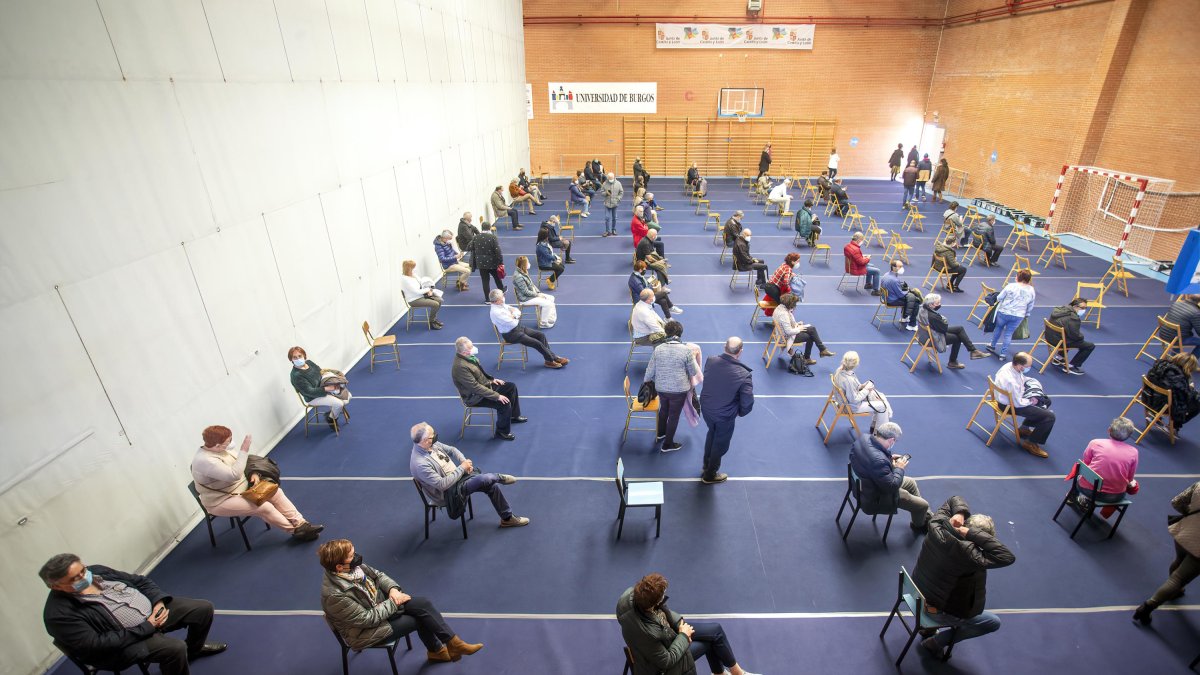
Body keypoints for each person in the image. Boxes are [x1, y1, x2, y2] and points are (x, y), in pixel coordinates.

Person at [40, 554, 225, 675]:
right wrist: (147, 627)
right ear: (55, 586)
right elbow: (96, 645)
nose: (84, 577)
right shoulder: (59, 615)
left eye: (83, 570)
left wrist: (158, 603)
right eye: (76, 578)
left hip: (152, 614)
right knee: (175, 649)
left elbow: (140, 582)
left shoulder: (97, 571)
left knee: (203, 608)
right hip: (126, 642)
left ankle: (194, 649)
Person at [319, 538, 484, 663]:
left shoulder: (355, 568)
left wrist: (393, 590)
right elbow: (366, 620)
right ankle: (437, 652)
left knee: (423, 604)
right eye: (351, 556)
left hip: (381, 608)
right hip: (366, 632)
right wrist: (394, 602)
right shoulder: (335, 595)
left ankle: (453, 644)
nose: (356, 557)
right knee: (419, 619)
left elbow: (380, 576)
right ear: (339, 567)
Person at [911, 496, 1016, 659]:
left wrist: (960, 512)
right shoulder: (972, 556)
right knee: (992, 622)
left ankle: (928, 629)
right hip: (937, 610)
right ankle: (935, 643)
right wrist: (973, 534)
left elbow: (953, 499)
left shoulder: (936, 527)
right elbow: (1007, 556)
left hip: (917, 594)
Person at [191, 425, 324, 540]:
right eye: (228, 441)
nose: (231, 443)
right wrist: (244, 449)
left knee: (275, 491)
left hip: (242, 489)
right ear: (217, 445)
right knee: (264, 507)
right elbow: (234, 475)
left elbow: (243, 463)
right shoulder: (205, 461)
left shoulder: (220, 449)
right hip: (221, 500)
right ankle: (296, 531)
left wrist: (254, 474)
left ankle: (302, 524)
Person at [616, 573, 761, 675]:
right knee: (710, 643)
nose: (664, 597)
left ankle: (735, 673)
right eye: (661, 596)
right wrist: (684, 636)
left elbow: (661, 608)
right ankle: (725, 674)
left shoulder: (636, 595)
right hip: (663, 667)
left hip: (668, 633)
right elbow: (666, 661)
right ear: (653, 602)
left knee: (715, 630)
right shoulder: (645, 633)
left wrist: (678, 623)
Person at [409, 422, 529, 526]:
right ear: (424, 441)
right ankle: (497, 477)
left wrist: (463, 461)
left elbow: (452, 450)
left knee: (490, 485)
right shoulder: (420, 464)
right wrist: (462, 468)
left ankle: (507, 518)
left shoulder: (430, 444)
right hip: (449, 493)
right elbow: (442, 485)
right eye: (432, 436)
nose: (435, 437)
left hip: (457, 479)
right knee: (484, 480)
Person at [1132, 480, 1200, 626]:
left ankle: (1174, 591)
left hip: (1184, 532)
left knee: (1179, 560)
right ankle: (1147, 607)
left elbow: (1176, 502)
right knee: (1177, 579)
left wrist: (1190, 513)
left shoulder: (1199, 485)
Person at [850, 422, 931, 532]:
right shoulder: (879, 461)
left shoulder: (864, 438)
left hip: (863, 486)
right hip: (873, 499)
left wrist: (889, 458)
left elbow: (871, 461)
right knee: (923, 505)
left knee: (911, 482)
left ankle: (927, 517)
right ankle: (919, 526)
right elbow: (892, 487)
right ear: (891, 440)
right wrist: (899, 468)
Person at [699, 338, 754, 484]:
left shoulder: (710, 361)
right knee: (720, 443)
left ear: (725, 347)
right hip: (724, 416)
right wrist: (739, 412)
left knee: (712, 433)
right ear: (740, 351)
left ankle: (706, 465)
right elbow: (747, 402)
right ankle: (710, 474)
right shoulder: (744, 374)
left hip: (707, 409)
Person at [451, 336, 526, 440]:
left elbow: (480, 374)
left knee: (511, 387)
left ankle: (513, 416)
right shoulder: (460, 367)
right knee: (504, 403)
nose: (473, 348)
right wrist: (497, 396)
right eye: (471, 347)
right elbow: (475, 387)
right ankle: (501, 432)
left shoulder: (469, 357)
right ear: (464, 352)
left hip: (484, 386)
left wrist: (491, 380)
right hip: (474, 397)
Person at [644, 320, 699, 453]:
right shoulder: (686, 351)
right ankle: (667, 445)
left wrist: (646, 382)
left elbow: (650, 371)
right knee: (674, 416)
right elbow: (693, 372)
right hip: (679, 390)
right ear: (680, 334)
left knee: (664, 410)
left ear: (666, 333)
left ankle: (660, 434)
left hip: (661, 388)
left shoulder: (658, 349)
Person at [993, 353, 1055, 457]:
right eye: (1027, 367)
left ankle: (1024, 428)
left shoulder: (1010, 365)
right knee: (1050, 417)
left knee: (1046, 400)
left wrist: (1033, 382)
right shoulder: (1011, 381)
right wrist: (1032, 401)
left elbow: (1022, 379)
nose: (1029, 368)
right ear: (1020, 366)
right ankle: (1031, 443)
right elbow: (1018, 403)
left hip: (1009, 399)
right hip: (1010, 406)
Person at [488, 290, 567, 369]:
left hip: (518, 328)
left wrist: (513, 315)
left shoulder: (501, 304)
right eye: (502, 296)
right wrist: (514, 316)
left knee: (540, 335)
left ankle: (549, 359)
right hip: (511, 335)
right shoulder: (496, 312)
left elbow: (517, 311)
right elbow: (513, 323)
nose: (504, 297)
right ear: (497, 301)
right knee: (537, 343)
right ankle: (551, 360)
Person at [1073, 417, 1140, 511]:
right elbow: (1130, 478)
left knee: (1080, 469)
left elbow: (1086, 464)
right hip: (1116, 496)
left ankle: (1077, 497)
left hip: (1088, 490)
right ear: (1129, 436)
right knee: (1132, 484)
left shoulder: (1095, 443)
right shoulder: (1134, 452)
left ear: (1109, 430)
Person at [918, 293, 990, 369]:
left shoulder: (923, 308)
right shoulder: (933, 317)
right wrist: (943, 320)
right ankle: (952, 362)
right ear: (930, 305)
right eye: (937, 303)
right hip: (932, 337)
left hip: (926, 333)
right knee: (958, 338)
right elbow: (944, 329)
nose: (940, 304)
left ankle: (973, 351)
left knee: (960, 328)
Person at [289, 346, 351, 427]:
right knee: (339, 404)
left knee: (348, 397)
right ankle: (331, 419)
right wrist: (327, 388)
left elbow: (320, 371)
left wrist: (332, 378)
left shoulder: (309, 363)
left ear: (304, 355)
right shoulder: (296, 375)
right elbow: (309, 392)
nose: (298, 359)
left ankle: (332, 413)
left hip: (324, 386)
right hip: (313, 397)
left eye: (300, 356)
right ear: (291, 360)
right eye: (295, 357)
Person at [773, 293, 834, 370]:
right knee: (811, 336)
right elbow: (788, 331)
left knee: (812, 329)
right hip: (786, 337)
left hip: (783, 333)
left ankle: (821, 351)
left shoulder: (779, 308)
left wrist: (796, 324)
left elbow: (786, 323)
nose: (795, 306)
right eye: (794, 304)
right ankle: (811, 356)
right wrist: (799, 329)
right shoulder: (784, 314)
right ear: (790, 304)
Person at [834, 351, 892, 431]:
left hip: (844, 401)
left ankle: (875, 424)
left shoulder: (840, 371)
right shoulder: (848, 380)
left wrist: (862, 386)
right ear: (856, 364)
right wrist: (866, 390)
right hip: (851, 407)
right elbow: (854, 399)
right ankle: (880, 432)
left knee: (880, 396)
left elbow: (851, 389)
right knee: (883, 406)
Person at [1143, 352, 1200, 431]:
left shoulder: (1159, 367)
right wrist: (1191, 389)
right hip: (1163, 406)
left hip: (1148, 398)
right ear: (1188, 367)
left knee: (1164, 392)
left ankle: (1155, 415)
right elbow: (1184, 398)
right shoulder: (1179, 379)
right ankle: (1174, 427)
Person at [988, 269, 1036, 360]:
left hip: (1004, 312)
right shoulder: (1031, 290)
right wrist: (1027, 314)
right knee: (1008, 334)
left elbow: (999, 297)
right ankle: (1003, 354)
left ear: (1018, 277)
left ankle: (992, 345)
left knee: (998, 328)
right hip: (1018, 316)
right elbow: (1030, 305)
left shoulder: (1010, 286)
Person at [1047, 297, 1094, 375]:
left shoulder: (1059, 309)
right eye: (1082, 308)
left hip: (1049, 337)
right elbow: (1075, 336)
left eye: (1086, 308)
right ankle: (1071, 366)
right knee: (1089, 346)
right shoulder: (1073, 318)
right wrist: (1081, 337)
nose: (1084, 310)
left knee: (1065, 335)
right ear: (1075, 306)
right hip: (1059, 342)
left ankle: (1058, 358)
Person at [513, 255, 556, 328]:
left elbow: (531, 284)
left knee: (551, 298)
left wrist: (538, 292)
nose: (529, 264)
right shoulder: (518, 277)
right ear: (523, 265)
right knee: (548, 304)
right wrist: (537, 295)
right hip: (525, 299)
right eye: (528, 262)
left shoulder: (524, 271)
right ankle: (543, 323)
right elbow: (525, 292)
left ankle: (549, 318)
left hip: (531, 294)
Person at [400, 259, 444, 329]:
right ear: (408, 268)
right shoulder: (405, 279)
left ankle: (433, 319)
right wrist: (428, 290)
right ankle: (432, 321)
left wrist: (429, 290)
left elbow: (422, 282)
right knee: (436, 304)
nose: (414, 269)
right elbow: (416, 291)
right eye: (413, 268)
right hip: (414, 300)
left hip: (421, 295)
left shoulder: (413, 275)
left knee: (440, 300)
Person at [880, 259, 922, 330]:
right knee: (915, 302)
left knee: (909, 299)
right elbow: (901, 295)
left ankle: (904, 318)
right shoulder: (894, 280)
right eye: (900, 266)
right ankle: (912, 325)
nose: (902, 268)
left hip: (886, 297)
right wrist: (908, 291)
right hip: (892, 300)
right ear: (894, 267)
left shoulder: (886, 274)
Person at [470, 221, 505, 303]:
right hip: (492, 262)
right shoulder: (492, 237)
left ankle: (487, 299)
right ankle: (501, 292)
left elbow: (470, 247)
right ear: (489, 227)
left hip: (481, 263)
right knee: (497, 278)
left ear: (481, 227)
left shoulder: (476, 237)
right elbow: (498, 251)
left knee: (485, 281)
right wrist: (500, 262)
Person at [602, 171, 624, 237]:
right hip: (607, 203)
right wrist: (606, 193)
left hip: (615, 203)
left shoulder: (618, 183)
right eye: (609, 178)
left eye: (611, 178)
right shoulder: (604, 183)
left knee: (615, 218)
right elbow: (602, 192)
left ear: (614, 177)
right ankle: (607, 231)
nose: (610, 179)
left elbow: (621, 192)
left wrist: (618, 199)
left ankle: (613, 230)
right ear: (607, 178)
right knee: (607, 218)